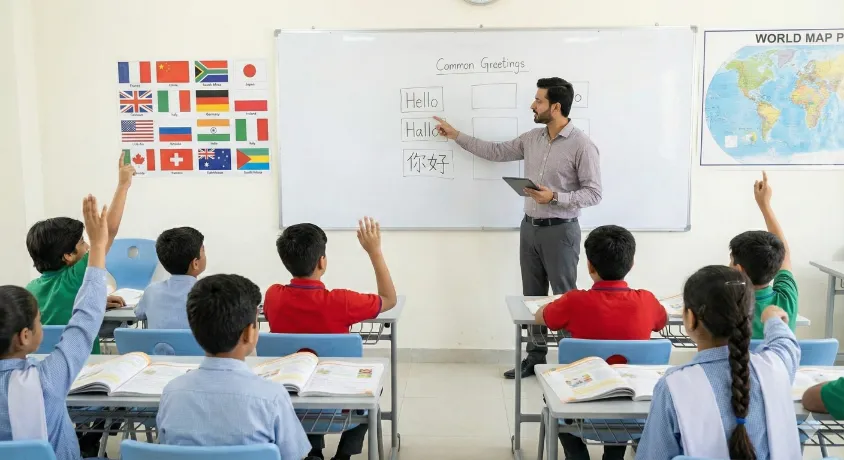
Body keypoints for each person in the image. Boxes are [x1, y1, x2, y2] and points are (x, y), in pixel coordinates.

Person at [435, 77, 602, 379]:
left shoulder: (582, 145)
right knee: (533, 298)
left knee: (564, 297)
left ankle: (570, 363)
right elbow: (496, 151)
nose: (532, 105)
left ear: (555, 106)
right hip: (530, 229)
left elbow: (594, 193)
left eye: (538, 101)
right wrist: (456, 135)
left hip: (561, 231)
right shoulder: (532, 138)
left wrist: (554, 196)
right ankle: (534, 358)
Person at [264, 217, 396, 460]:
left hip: (288, 402)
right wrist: (374, 251)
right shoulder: (342, 302)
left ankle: (312, 452)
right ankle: (344, 455)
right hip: (340, 401)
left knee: (303, 374)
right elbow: (389, 299)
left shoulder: (273, 296)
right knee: (373, 387)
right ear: (322, 262)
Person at [636, 266, 801, 459]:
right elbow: (786, 343)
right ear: (748, 316)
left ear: (690, 319)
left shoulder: (673, 387)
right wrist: (773, 319)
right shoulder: (777, 366)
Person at [534, 225, 667, 460]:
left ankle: (578, 456)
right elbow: (661, 321)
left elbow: (542, 317)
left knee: (550, 391)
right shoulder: (646, 300)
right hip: (634, 404)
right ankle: (614, 456)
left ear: (589, 266)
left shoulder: (574, 301)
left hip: (578, 401)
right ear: (631, 263)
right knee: (621, 381)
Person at [0, 195, 111, 460]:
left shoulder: (34, 287)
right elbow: (85, 321)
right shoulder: (48, 379)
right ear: (24, 336)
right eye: (39, 320)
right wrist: (97, 244)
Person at [156, 274, 311, 460]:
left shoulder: (172, 392)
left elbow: (166, 448)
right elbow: (294, 456)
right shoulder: (272, 397)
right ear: (249, 333)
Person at [26, 154, 135, 354]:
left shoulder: (31, 289)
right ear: (68, 256)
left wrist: (94, 300)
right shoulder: (77, 277)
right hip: (83, 369)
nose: (87, 247)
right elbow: (107, 233)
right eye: (83, 242)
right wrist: (123, 185)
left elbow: (61, 308)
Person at [730, 172, 797, 339]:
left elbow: (784, 257)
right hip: (779, 365)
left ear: (739, 269)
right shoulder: (786, 299)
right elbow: (785, 256)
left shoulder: (726, 303)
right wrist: (765, 205)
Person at [134, 227, 206, 329]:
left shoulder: (151, 291)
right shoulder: (209, 294)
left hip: (158, 345)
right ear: (195, 263)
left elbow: (139, 313)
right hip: (193, 345)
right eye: (203, 250)